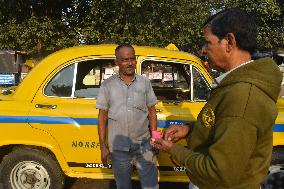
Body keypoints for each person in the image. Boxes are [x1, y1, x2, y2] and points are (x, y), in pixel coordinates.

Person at [151, 7, 282, 189]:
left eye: (208, 43)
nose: (203, 50)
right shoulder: (234, 85)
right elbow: (222, 125)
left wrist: (173, 150)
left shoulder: (242, 97)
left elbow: (219, 172)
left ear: (229, 42)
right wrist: (189, 130)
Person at [96, 44, 159, 189]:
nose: (130, 63)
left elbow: (152, 111)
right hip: (119, 149)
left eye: (132, 59)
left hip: (144, 145)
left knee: (151, 185)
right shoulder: (107, 85)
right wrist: (103, 147)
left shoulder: (144, 83)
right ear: (117, 62)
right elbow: (102, 117)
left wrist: (155, 137)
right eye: (125, 60)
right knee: (123, 186)